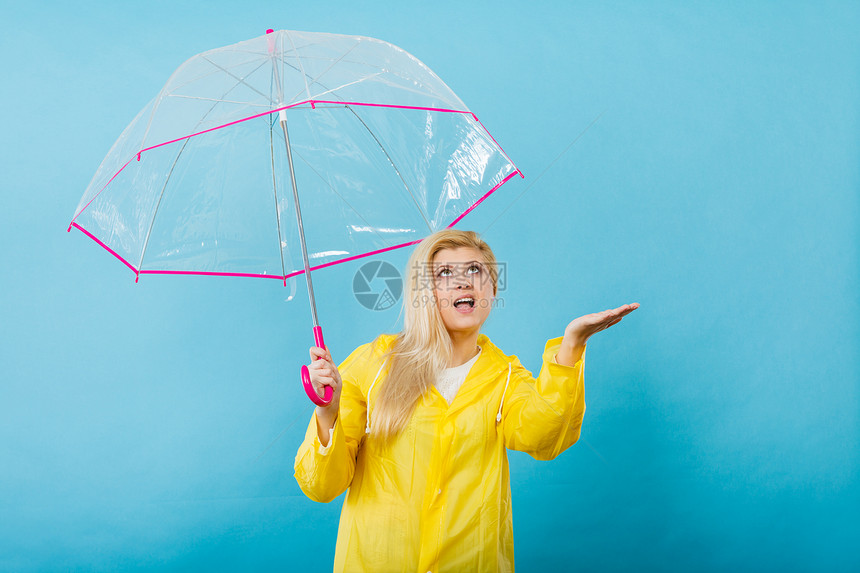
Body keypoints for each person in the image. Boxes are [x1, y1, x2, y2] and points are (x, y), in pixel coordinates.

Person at [294, 229, 638, 573]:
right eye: (445, 274)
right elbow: (321, 486)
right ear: (424, 293)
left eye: (475, 271)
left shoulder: (504, 377)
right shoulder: (375, 364)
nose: (463, 282)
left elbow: (546, 437)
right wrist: (328, 411)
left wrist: (571, 345)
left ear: (492, 290)